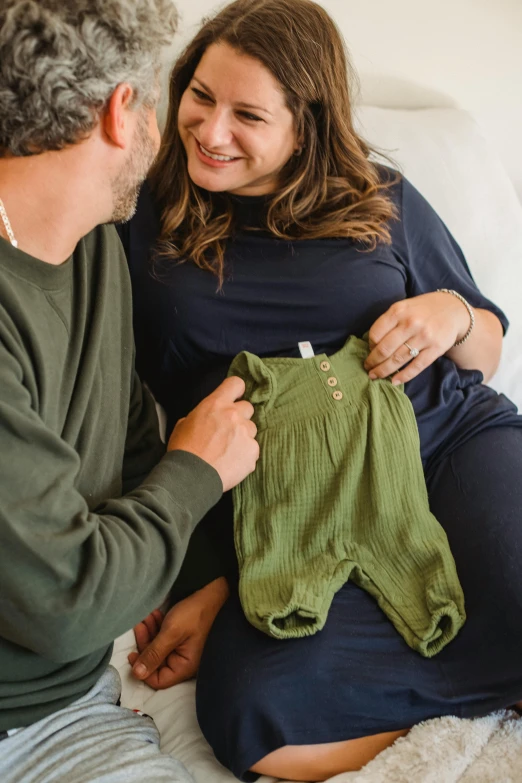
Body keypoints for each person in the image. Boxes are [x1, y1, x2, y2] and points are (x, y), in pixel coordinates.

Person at [118, 0, 522, 780]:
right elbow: (138, 410)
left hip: (446, 447)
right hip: (292, 505)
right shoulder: (144, 215)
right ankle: (490, 682)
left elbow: (487, 346)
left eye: (247, 115)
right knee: (246, 707)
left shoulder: (382, 195)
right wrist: (209, 578)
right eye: (200, 96)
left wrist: (454, 313)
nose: (209, 130)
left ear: (305, 124)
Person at [0, 2, 260, 783]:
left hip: (69, 705)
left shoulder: (90, 244)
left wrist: (202, 576)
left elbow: (129, 432)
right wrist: (200, 473)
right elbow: (69, 599)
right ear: (122, 110)